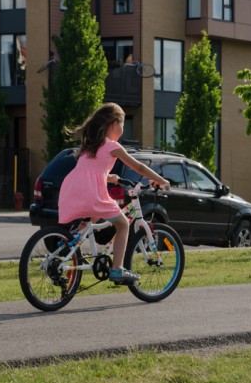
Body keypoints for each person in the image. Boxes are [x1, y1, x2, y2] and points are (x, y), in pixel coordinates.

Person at [58, 103, 169, 284]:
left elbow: (91, 170)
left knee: (91, 218)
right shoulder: (112, 146)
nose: (123, 128)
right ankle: (117, 269)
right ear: (115, 123)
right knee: (123, 224)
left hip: (73, 188)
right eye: (123, 124)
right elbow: (139, 167)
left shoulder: (90, 146)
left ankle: (69, 245)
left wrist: (109, 177)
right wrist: (161, 180)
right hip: (92, 192)